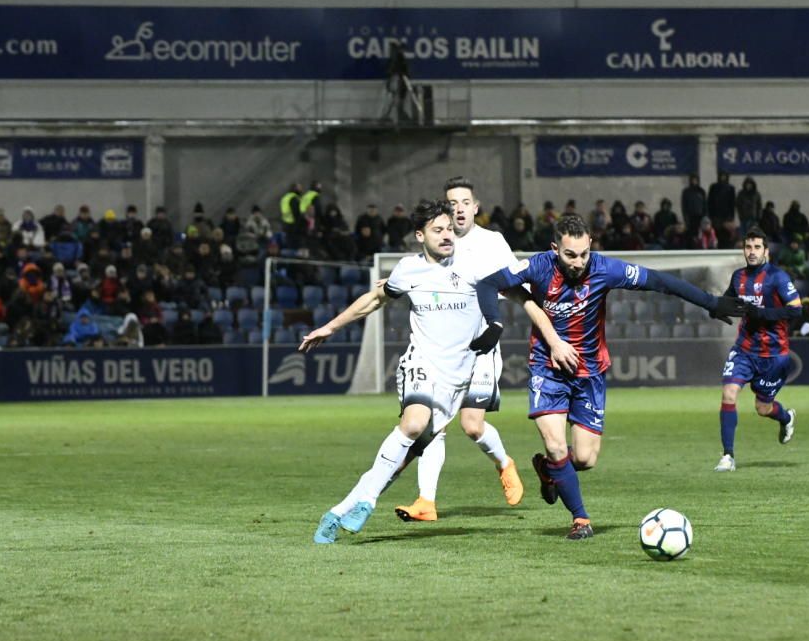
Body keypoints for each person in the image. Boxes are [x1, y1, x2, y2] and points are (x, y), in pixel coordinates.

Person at [480, 215, 746, 539]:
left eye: (583, 253)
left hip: (589, 371)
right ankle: (580, 519)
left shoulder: (606, 269)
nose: (578, 262)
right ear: (555, 249)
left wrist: (711, 302)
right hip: (547, 368)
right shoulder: (538, 266)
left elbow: (660, 281)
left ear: (590, 245)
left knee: (585, 458)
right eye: (569, 255)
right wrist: (495, 324)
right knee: (554, 444)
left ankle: (550, 472)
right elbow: (487, 283)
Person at [304, 199, 503, 544]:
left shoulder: (474, 266)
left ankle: (342, 509)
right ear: (419, 235)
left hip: (457, 378)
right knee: (412, 424)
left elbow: (516, 291)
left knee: (401, 458)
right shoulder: (408, 270)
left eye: (449, 230)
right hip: (420, 364)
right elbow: (373, 300)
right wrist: (330, 328)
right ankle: (364, 501)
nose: (446, 236)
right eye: (437, 230)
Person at [393, 176, 578, 524]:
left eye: (465, 202)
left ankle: (504, 463)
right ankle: (426, 502)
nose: (458, 209)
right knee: (435, 423)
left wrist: (548, 334)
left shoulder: (492, 243)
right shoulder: (438, 244)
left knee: (473, 426)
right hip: (441, 352)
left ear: (476, 208)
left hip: (479, 347)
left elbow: (518, 287)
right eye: (451, 204)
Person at [714, 228, 802, 473]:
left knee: (763, 408)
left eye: (756, 247)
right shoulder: (738, 277)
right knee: (729, 394)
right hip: (744, 349)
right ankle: (728, 456)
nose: (751, 252)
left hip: (773, 355)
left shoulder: (778, 277)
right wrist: (717, 308)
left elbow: (796, 309)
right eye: (748, 247)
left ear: (765, 251)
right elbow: (728, 301)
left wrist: (764, 314)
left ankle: (786, 418)